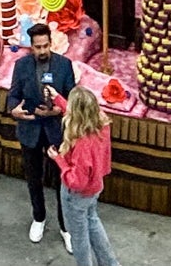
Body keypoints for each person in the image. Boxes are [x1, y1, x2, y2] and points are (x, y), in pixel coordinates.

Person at [6, 21, 77, 248]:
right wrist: (14, 110)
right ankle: (39, 218)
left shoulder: (64, 65)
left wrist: (59, 109)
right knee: (33, 178)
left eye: (45, 46)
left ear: (51, 43)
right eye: (38, 47)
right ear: (31, 46)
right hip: (30, 129)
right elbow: (13, 95)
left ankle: (66, 227)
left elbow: (73, 98)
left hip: (56, 131)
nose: (42, 50)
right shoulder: (21, 66)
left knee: (62, 182)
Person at [49, 87, 120, 266]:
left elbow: (76, 182)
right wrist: (58, 98)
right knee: (93, 221)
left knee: (79, 237)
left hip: (77, 195)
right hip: (95, 187)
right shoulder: (102, 124)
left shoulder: (82, 144)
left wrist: (59, 160)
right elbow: (81, 113)